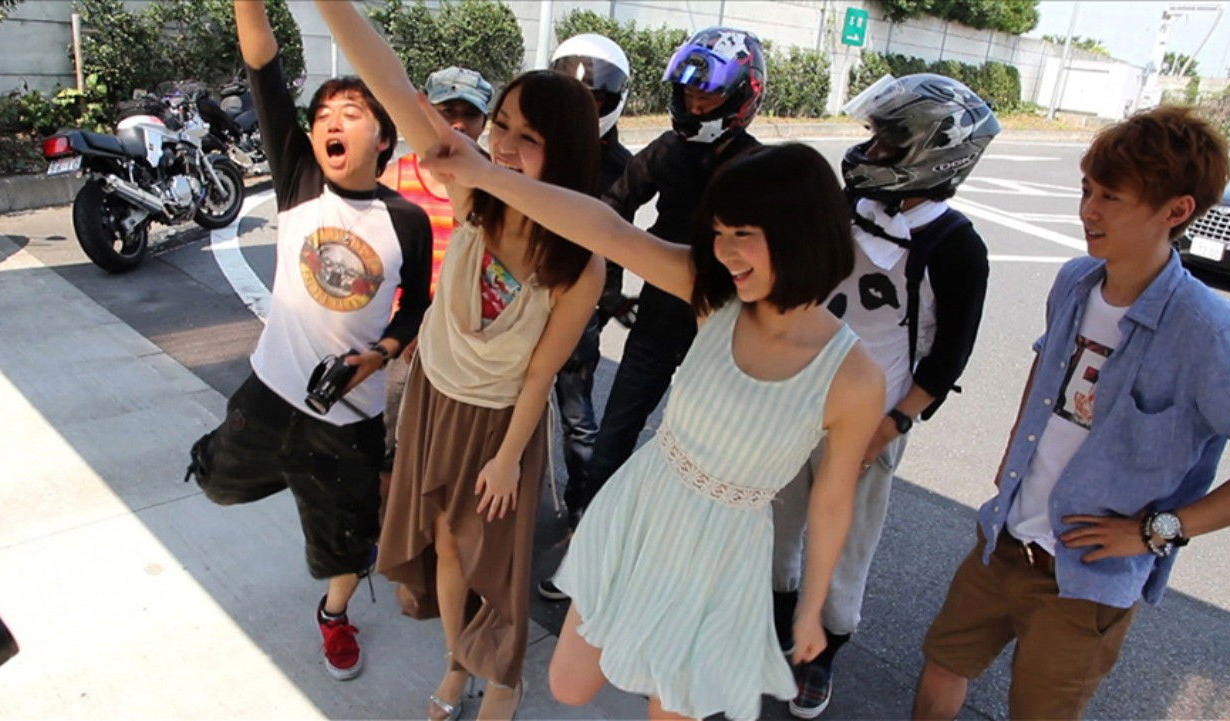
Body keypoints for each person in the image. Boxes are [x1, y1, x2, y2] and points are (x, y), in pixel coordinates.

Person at [424, 129, 886, 719]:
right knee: (569, 684)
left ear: (801, 233)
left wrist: (811, 608)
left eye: (742, 234)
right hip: (642, 509)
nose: (724, 252)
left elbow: (833, 499)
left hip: (722, 553)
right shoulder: (715, 298)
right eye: (718, 233)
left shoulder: (854, 379)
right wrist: (486, 175)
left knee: (671, 708)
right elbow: (608, 231)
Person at [314, 3, 606, 720]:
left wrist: (508, 459)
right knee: (444, 546)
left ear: (566, 151)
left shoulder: (581, 258)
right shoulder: (473, 188)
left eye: (527, 137)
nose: (501, 144)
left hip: (501, 421)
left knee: (495, 569)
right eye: (499, 124)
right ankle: (455, 662)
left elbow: (541, 373)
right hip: (434, 399)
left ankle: (503, 679)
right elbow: (388, 81)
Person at [912, 105, 1230, 721]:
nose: (1088, 210)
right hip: (1006, 536)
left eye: (1111, 197)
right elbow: (1045, 365)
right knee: (942, 665)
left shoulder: (1205, 330)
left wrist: (1156, 532)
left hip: (1089, 577)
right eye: (1087, 189)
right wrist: (1013, 453)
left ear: (1176, 211)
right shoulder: (1076, 281)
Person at [183, 0, 432, 683]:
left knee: (346, 546)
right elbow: (262, 61)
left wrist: (377, 357)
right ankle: (282, 476)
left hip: (347, 424)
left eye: (351, 113)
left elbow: (416, 308)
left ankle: (334, 613)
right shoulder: (298, 179)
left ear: (385, 139)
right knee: (215, 484)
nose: (331, 122)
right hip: (267, 397)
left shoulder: (406, 221)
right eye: (323, 115)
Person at [769, 74, 999, 719]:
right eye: (874, 138)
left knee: (844, 541)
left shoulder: (955, 247)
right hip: (797, 396)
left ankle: (822, 651)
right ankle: (777, 621)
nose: (871, 152)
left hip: (872, 417)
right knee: (777, 522)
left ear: (934, 154)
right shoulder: (849, 206)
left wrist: (893, 423)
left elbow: (948, 356)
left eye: (889, 143)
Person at [574, 26, 766, 543]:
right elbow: (611, 209)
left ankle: (674, 549)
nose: (695, 105)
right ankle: (587, 535)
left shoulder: (758, 167)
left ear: (742, 96)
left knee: (702, 447)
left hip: (722, 326)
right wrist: (609, 291)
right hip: (659, 312)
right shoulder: (666, 149)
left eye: (708, 96)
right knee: (616, 431)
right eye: (688, 94)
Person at [538, 32, 635, 602]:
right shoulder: (537, 146)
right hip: (524, 299)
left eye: (593, 100)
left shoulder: (621, 165)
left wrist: (610, 299)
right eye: (571, 97)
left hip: (582, 306)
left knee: (576, 414)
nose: (581, 109)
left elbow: (616, 241)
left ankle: (584, 511)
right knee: (508, 405)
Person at [378, 65, 494, 471]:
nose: (458, 124)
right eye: (447, 112)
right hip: (402, 338)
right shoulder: (394, 178)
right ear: (426, 113)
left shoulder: (497, 184)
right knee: (389, 440)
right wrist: (402, 328)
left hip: (466, 343)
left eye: (470, 114)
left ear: (484, 122)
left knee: (451, 449)